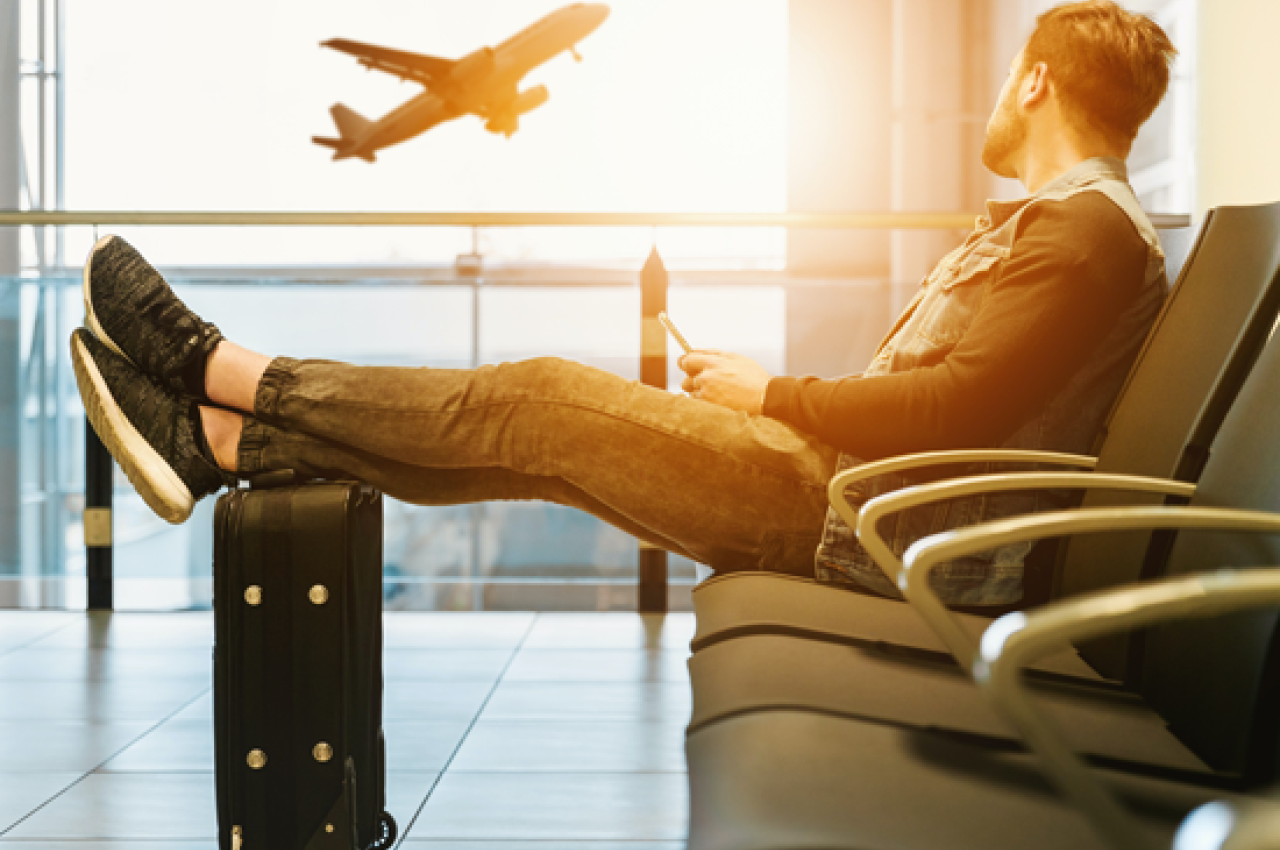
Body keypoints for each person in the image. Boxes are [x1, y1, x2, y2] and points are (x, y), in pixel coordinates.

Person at [71, 0, 1176, 608]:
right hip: (855, 503)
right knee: (540, 449)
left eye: (1003, 79)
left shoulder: (1080, 233)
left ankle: (218, 370)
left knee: (540, 400)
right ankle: (223, 441)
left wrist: (774, 391)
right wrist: (777, 401)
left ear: (1032, 80)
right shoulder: (1071, 230)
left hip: (861, 526)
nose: (994, 98)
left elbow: (956, 409)